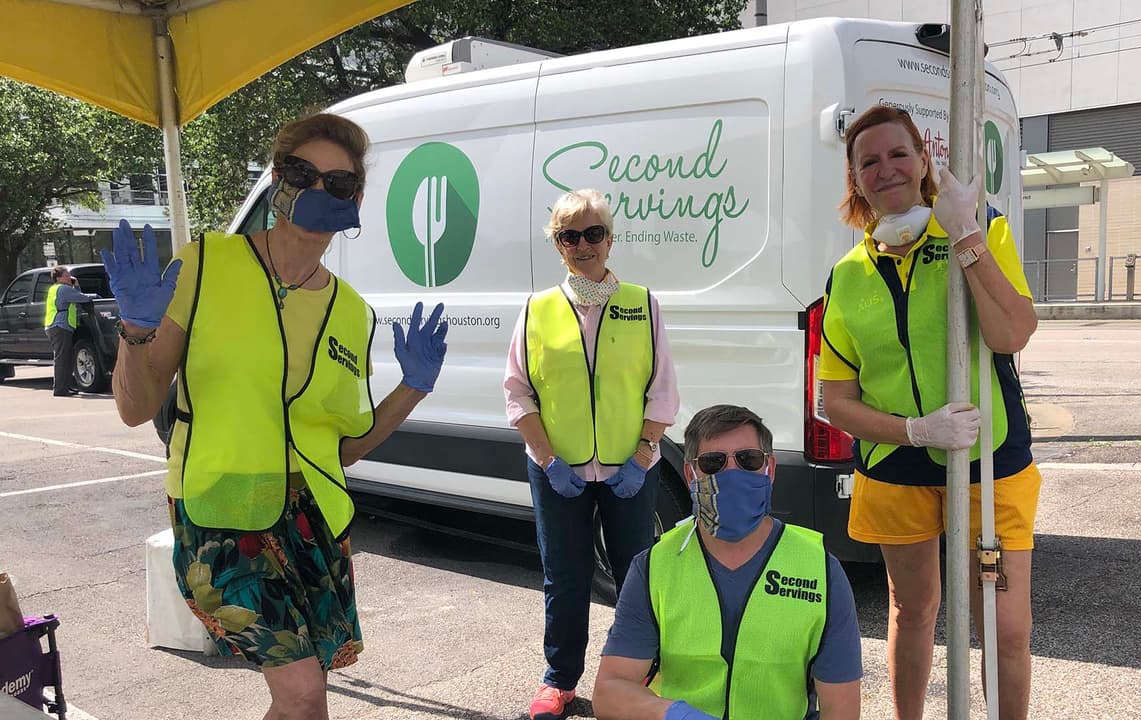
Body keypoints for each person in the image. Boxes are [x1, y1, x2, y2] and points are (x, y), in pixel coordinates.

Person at [104, 113, 449, 720]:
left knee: (300, 697)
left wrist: (413, 388)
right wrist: (135, 330)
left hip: (312, 522)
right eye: (300, 174)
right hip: (220, 518)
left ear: (356, 199)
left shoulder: (351, 312)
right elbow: (135, 408)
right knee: (305, 694)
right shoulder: (207, 263)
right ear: (276, 177)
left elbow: (342, 447)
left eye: (338, 184)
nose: (318, 192)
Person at [818, 105, 1040, 720]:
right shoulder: (846, 276)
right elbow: (836, 402)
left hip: (988, 458)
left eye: (897, 154)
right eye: (868, 162)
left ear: (923, 162)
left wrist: (965, 233)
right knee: (911, 611)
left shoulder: (980, 229)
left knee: (1005, 626)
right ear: (855, 181)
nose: (885, 168)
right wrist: (915, 431)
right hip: (895, 467)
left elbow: (1013, 333)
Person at [504, 188, 679, 720]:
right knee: (565, 575)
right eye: (570, 235)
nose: (583, 244)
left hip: (631, 467)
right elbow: (518, 391)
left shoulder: (642, 303)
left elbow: (662, 388)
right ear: (557, 244)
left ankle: (645, 671)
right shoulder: (537, 310)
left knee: (635, 572)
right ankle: (559, 680)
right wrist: (549, 460)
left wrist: (645, 452)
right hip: (558, 471)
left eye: (593, 233)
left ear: (610, 237)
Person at [594, 404, 862, 720]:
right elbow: (609, 691)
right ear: (691, 474)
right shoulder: (653, 568)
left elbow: (842, 710)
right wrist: (675, 714)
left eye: (749, 460)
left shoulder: (821, 570)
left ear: (770, 470)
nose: (731, 473)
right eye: (713, 463)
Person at [43, 266, 98, 396]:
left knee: (66, 358)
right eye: (67, 276)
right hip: (60, 326)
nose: (70, 278)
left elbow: (76, 297)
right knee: (62, 359)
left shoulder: (55, 288)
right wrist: (97, 296)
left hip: (56, 326)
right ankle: (60, 389)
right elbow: (82, 298)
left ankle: (65, 386)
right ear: (59, 278)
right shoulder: (64, 289)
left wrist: (75, 285)